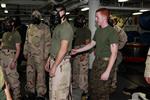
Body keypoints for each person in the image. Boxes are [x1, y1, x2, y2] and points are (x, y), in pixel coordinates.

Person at [71, 8, 119, 100]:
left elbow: (114, 53)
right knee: (93, 88)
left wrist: (107, 72)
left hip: (106, 63)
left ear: (104, 18)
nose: (95, 19)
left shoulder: (112, 32)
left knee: (102, 91)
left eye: (97, 17)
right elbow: (92, 44)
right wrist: (78, 51)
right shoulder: (98, 31)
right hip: (97, 62)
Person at [45, 4, 74, 100]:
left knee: (60, 94)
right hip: (56, 62)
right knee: (53, 93)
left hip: (61, 65)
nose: (54, 15)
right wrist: (49, 59)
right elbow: (55, 46)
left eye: (55, 13)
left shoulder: (66, 27)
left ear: (63, 12)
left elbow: (63, 49)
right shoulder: (58, 26)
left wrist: (54, 66)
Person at [23, 10, 51, 99]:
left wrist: (46, 55)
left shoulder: (45, 28)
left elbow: (48, 43)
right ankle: (30, 91)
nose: (34, 18)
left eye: (36, 17)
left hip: (40, 56)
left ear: (39, 17)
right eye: (33, 17)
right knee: (30, 74)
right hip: (30, 55)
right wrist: (25, 52)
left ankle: (41, 93)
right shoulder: (29, 27)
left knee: (41, 75)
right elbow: (26, 41)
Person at [0, 17, 21, 100]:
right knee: (4, 80)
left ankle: (17, 97)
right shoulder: (5, 34)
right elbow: (1, 46)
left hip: (10, 57)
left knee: (14, 81)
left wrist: (14, 61)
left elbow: (18, 49)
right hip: (2, 57)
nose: (6, 25)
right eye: (5, 24)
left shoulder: (16, 34)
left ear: (12, 24)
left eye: (8, 24)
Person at [72, 15, 91, 100]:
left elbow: (87, 43)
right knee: (75, 71)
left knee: (83, 73)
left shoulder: (87, 30)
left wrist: (84, 54)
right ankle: (75, 87)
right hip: (76, 51)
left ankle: (84, 91)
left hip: (83, 50)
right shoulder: (78, 30)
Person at [109, 16, 128, 90]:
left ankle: (112, 85)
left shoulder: (118, 30)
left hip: (115, 53)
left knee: (113, 69)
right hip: (106, 53)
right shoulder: (104, 28)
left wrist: (116, 48)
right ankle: (107, 84)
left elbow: (124, 39)